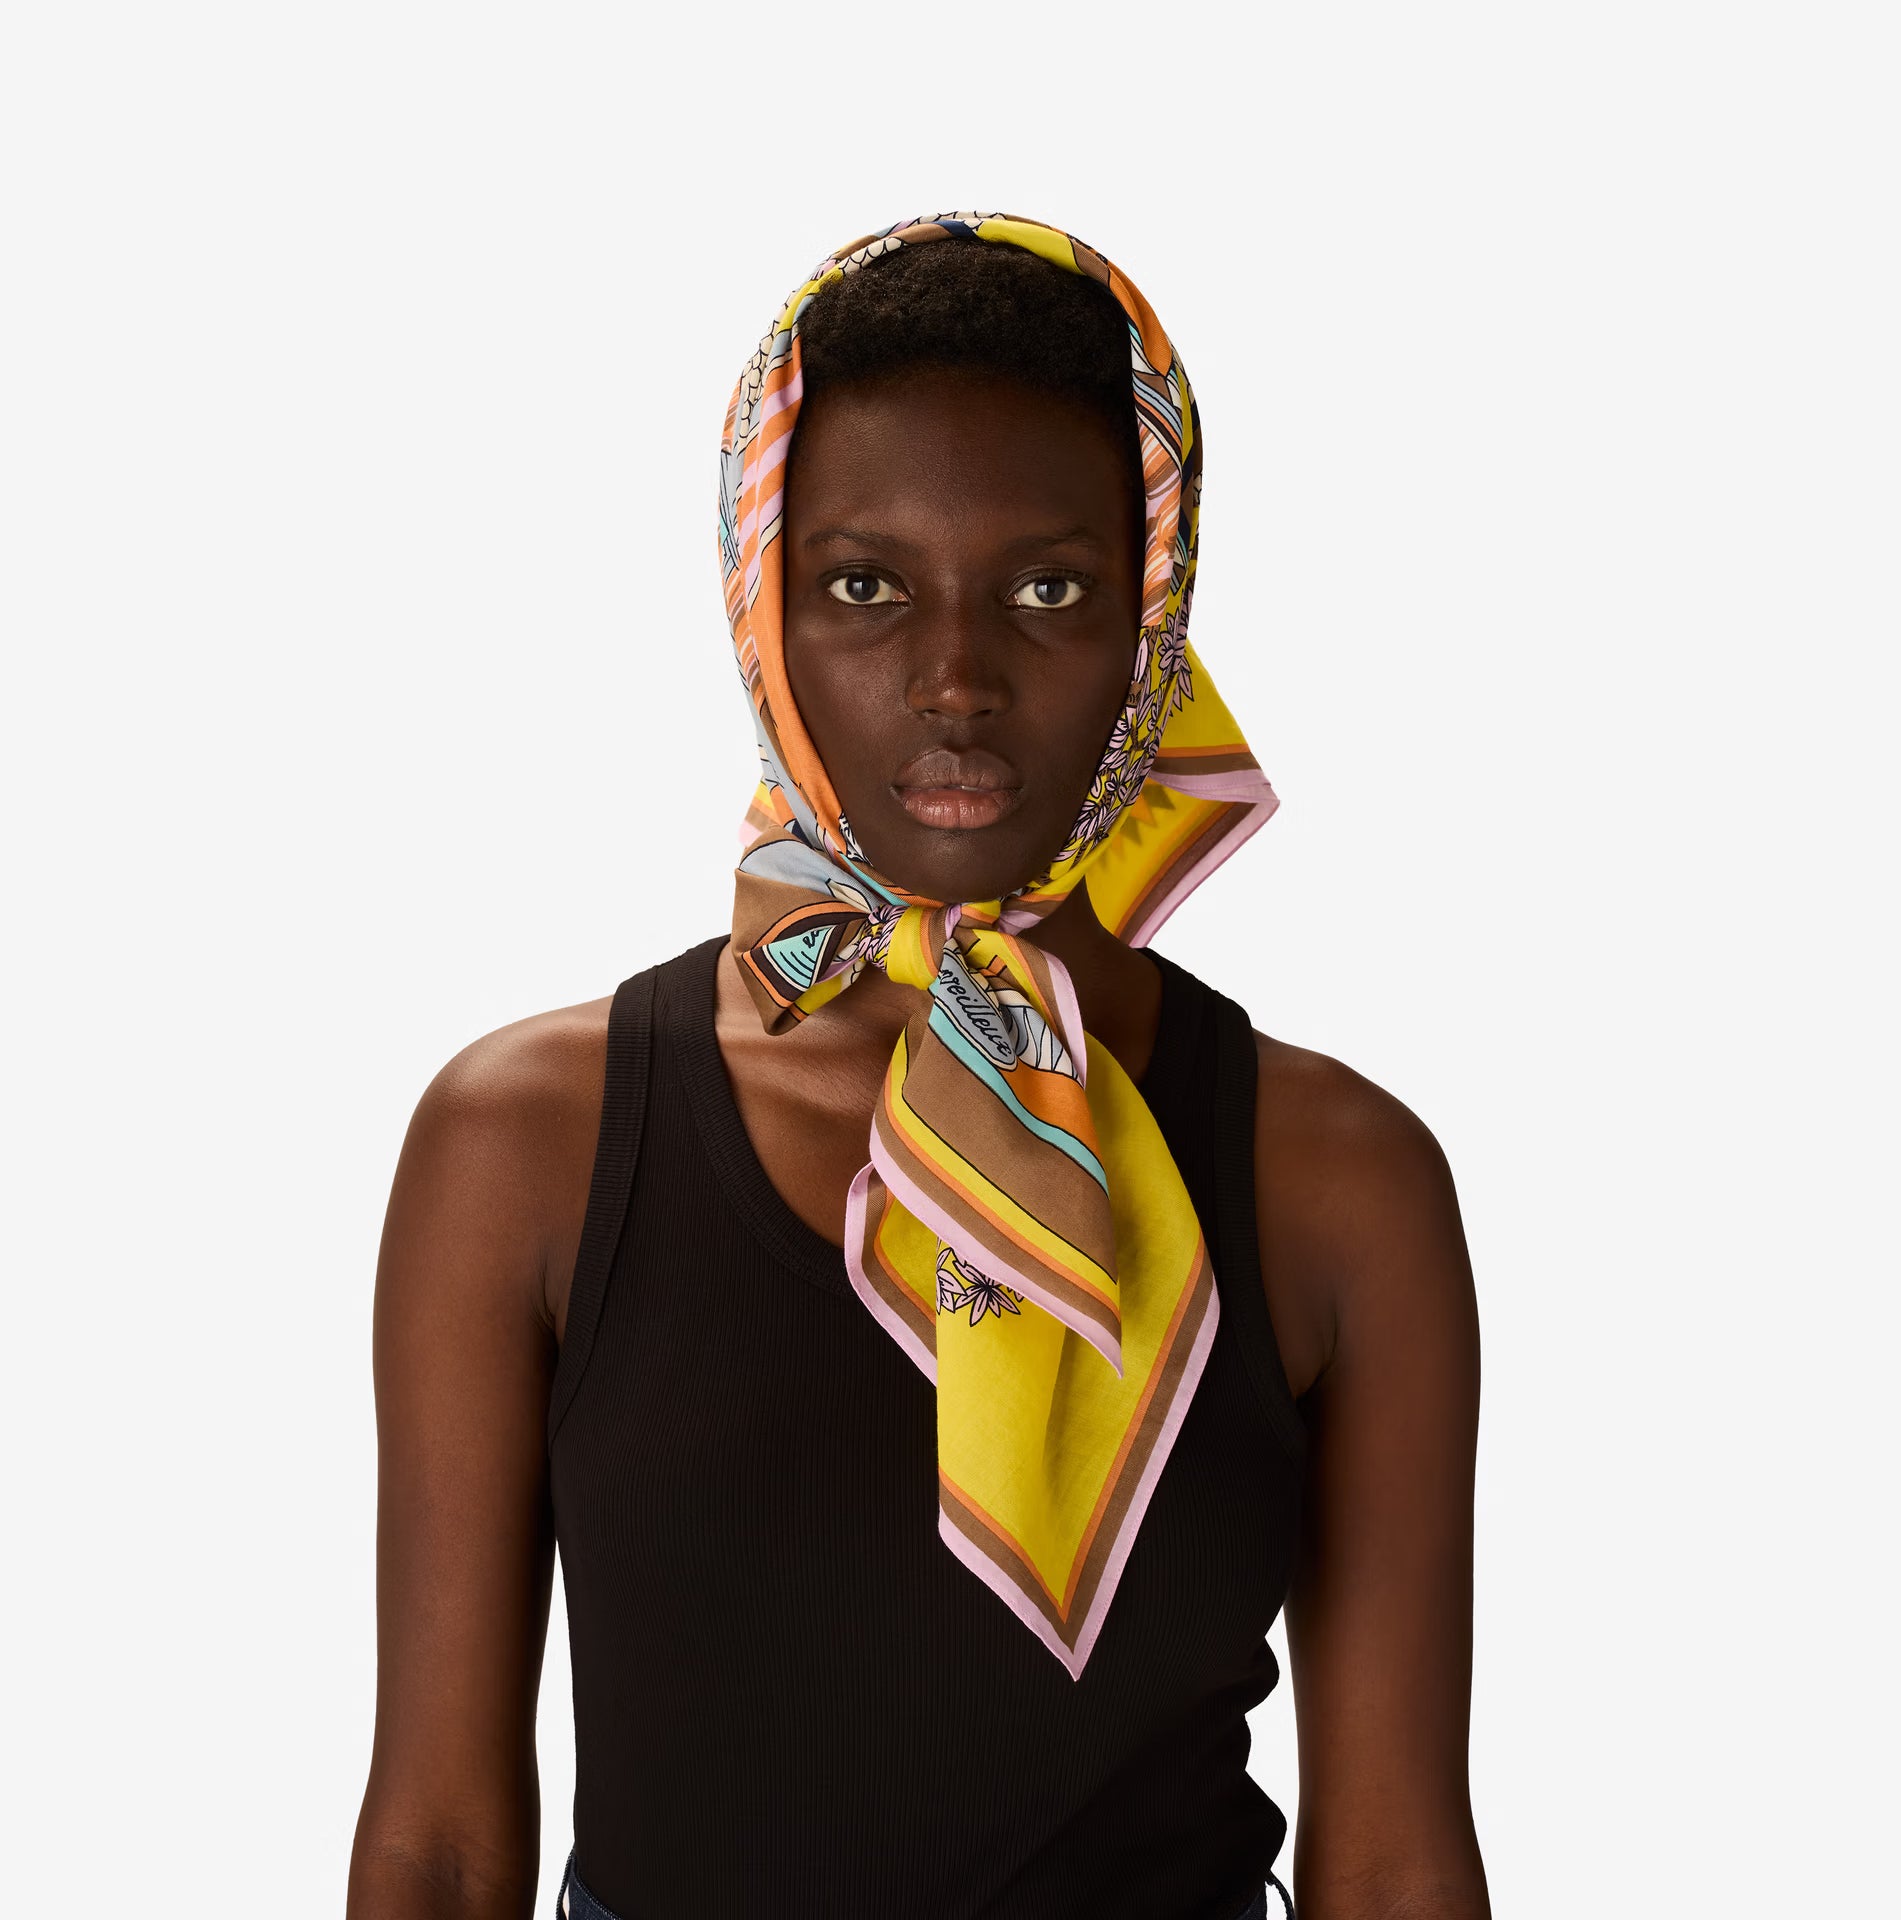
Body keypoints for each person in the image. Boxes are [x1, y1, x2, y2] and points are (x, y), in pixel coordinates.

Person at [346, 213, 1491, 1920]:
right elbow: (439, 1846)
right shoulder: (526, 1148)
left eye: (1049, 590)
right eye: (866, 587)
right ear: (764, 608)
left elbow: (1394, 1867)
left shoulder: (1339, 1185)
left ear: (1154, 619)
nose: (957, 680)